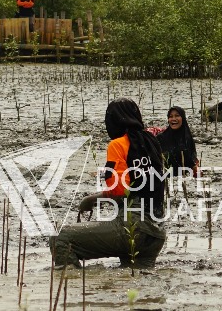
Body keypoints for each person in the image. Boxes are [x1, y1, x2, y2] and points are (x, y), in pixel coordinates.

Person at [50, 99, 166, 269]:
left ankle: (71, 283)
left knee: (60, 237)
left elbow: (119, 191)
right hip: (156, 234)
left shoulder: (117, 145)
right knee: (137, 282)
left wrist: (91, 199)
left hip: (133, 228)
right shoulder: (151, 141)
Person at [155, 106, 198, 174]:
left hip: (184, 176)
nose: (173, 119)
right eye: (171, 116)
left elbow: (193, 161)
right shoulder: (160, 138)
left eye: (177, 116)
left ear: (183, 118)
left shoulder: (187, 139)